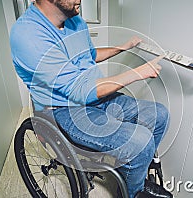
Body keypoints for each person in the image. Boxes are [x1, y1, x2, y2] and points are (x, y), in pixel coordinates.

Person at [10, 0, 172, 197]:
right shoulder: (28, 36)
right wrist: (136, 73)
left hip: (97, 98)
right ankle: (134, 192)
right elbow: (79, 90)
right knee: (140, 140)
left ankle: (132, 175)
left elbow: (90, 55)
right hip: (64, 109)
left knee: (159, 115)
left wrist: (122, 48)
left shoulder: (75, 21)